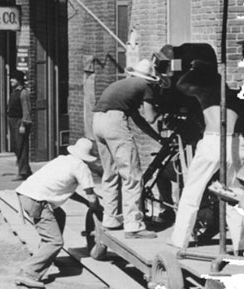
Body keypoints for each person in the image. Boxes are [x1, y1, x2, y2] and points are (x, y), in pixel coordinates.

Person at [170, 60, 244, 250]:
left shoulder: (207, 93)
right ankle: (239, 245)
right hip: (236, 142)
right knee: (233, 193)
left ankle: (180, 241)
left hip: (213, 140)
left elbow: (181, 85)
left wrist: (194, 68)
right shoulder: (236, 97)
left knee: (193, 190)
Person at [14, 138, 101, 289]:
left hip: (26, 195)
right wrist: (98, 209)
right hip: (38, 201)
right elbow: (92, 197)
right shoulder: (81, 167)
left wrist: (85, 203)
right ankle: (28, 273)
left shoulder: (63, 160)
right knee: (55, 241)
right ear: (88, 157)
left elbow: (66, 189)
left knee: (59, 215)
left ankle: (47, 257)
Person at [92, 59, 164, 239]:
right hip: (115, 123)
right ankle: (134, 226)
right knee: (132, 175)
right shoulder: (145, 85)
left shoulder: (123, 84)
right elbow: (150, 117)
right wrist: (160, 109)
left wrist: (157, 138)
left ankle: (111, 220)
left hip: (97, 121)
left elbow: (138, 119)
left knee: (110, 173)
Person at [8, 70, 32, 181]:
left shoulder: (23, 92)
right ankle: (26, 169)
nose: (11, 80)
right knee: (16, 146)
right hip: (12, 121)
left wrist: (23, 124)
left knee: (21, 147)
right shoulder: (14, 91)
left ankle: (22, 172)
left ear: (19, 80)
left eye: (13, 78)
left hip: (19, 121)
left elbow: (26, 110)